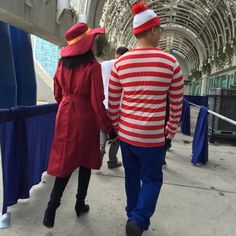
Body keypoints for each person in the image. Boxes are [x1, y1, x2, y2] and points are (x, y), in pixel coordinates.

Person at [108, 2, 184, 236]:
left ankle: (133, 214)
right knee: (152, 179)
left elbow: (112, 102)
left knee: (131, 176)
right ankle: (139, 219)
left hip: (127, 135)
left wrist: (119, 126)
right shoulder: (170, 63)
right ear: (151, 30)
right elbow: (177, 101)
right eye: (159, 28)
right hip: (152, 138)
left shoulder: (120, 63)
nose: (161, 33)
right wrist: (170, 130)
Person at [43, 22, 117, 228]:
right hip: (85, 117)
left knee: (64, 162)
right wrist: (109, 127)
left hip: (64, 114)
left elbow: (57, 93)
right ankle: (79, 203)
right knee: (85, 160)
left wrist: (66, 104)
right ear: (87, 44)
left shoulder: (60, 65)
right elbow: (96, 100)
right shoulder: (93, 67)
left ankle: (51, 209)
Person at [100, 46, 129, 169]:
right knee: (117, 134)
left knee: (102, 131)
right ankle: (112, 160)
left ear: (116, 54)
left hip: (103, 103)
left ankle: (99, 154)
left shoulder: (104, 64)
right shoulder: (127, 66)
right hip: (119, 106)